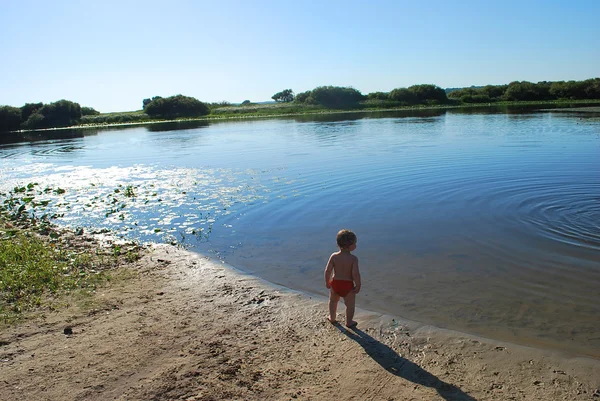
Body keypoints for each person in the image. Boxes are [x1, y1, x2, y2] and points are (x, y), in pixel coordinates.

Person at [324, 229, 361, 328]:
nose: (356, 245)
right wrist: (358, 285)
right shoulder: (353, 259)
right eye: (355, 243)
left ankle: (332, 317)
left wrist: (327, 282)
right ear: (350, 246)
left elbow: (327, 270)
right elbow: (355, 274)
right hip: (347, 286)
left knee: (333, 301)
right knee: (350, 306)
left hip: (335, 283)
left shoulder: (334, 256)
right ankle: (349, 322)